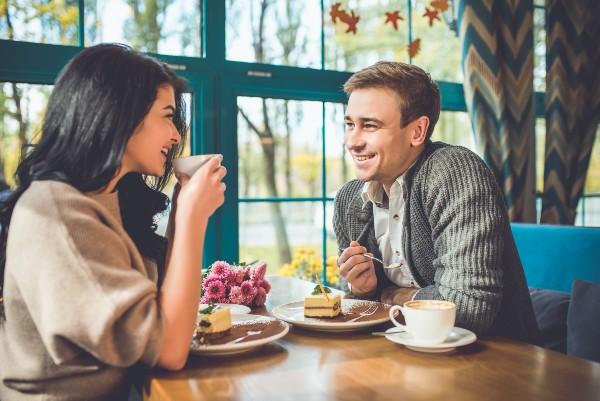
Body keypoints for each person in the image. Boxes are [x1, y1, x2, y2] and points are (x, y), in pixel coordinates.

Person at [0, 43, 226, 400]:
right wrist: (192, 218)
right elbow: (168, 348)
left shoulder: (110, 200)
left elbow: (162, 308)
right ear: (121, 114)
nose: (176, 136)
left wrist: (182, 215)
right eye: (167, 116)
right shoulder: (55, 212)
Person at [334, 61, 539, 343]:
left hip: (495, 361)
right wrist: (362, 290)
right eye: (349, 125)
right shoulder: (348, 200)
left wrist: (384, 295)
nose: (352, 141)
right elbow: (354, 306)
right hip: (395, 356)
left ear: (417, 131)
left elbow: (468, 308)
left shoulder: (454, 172)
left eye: (370, 126)